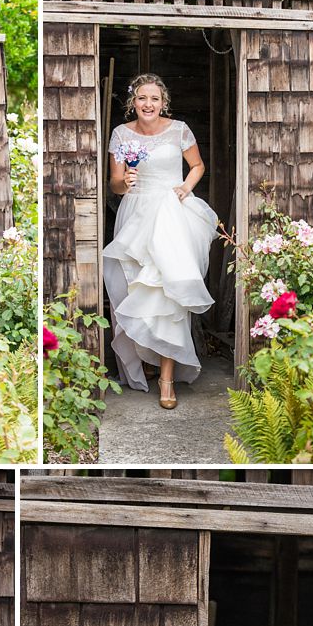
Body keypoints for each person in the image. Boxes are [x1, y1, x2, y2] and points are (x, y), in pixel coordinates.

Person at [103, 73, 218, 409]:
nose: (148, 104)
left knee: (170, 292)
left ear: (163, 102)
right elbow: (115, 185)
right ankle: (148, 360)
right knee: (135, 289)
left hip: (172, 213)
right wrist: (124, 180)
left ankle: (168, 378)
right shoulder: (121, 135)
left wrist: (185, 187)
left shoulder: (179, 129)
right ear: (132, 102)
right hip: (136, 215)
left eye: (154, 98)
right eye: (142, 98)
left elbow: (197, 165)